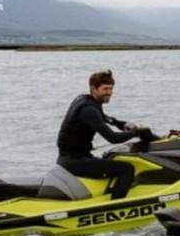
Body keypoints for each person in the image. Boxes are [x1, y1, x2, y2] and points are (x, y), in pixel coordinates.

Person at [56, 69, 153, 200]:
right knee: (127, 169)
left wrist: (122, 124)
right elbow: (112, 138)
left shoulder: (85, 101)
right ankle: (116, 206)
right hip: (75, 162)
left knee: (112, 159)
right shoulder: (88, 110)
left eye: (111, 89)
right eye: (105, 89)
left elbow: (104, 118)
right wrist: (136, 133)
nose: (109, 93)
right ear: (93, 89)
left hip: (75, 158)